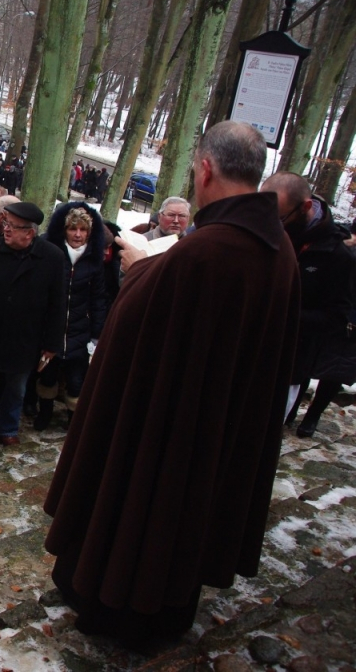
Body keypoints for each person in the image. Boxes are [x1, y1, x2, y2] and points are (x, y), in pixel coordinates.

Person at [44, 121, 301, 640]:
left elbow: (138, 326)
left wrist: (139, 268)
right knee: (186, 523)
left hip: (167, 432)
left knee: (145, 515)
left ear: (205, 169)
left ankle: (117, 608)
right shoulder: (281, 251)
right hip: (217, 432)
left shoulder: (206, 252)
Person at [0, 201, 65, 451]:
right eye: (5, 223)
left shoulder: (52, 257)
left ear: (29, 232)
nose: (6, 230)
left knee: (16, 388)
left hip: (26, 338)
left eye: (13, 227)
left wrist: (51, 344)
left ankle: (7, 428)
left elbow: (57, 304)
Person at [262, 171, 356, 438]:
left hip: (291, 362)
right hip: (249, 350)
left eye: (280, 218)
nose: (273, 224)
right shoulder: (269, 231)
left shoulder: (337, 255)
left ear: (305, 208)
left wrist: (287, 315)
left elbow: (336, 317)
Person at [33, 203, 108, 430]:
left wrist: (97, 334)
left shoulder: (94, 262)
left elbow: (98, 300)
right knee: (47, 377)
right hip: (52, 331)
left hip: (79, 331)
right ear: (64, 230)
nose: (77, 234)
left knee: (76, 381)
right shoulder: (53, 256)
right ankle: (44, 413)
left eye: (83, 230)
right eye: (73, 228)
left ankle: (73, 418)